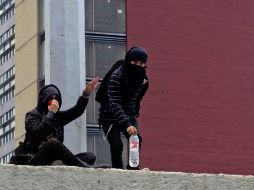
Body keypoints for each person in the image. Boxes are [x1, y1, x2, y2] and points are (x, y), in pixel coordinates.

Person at [10, 77, 100, 167]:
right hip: (35, 160)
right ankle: (83, 167)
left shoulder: (58, 118)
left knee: (90, 156)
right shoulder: (32, 115)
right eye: (50, 102)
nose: (53, 103)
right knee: (52, 143)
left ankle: (72, 164)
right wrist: (51, 113)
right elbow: (39, 132)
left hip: (55, 160)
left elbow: (77, 111)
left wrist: (85, 94)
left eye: (55, 101)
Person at [98, 47, 149, 169]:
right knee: (116, 145)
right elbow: (114, 103)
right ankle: (118, 172)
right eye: (135, 63)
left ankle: (133, 168)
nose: (138, 66)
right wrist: (127, 124)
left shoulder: (142, 79)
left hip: (129, 112)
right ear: (128, 62)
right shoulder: (116, 76)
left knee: (136, 140)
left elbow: (136, 99)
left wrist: (133, 116)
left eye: (142, 64)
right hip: (109, 114)